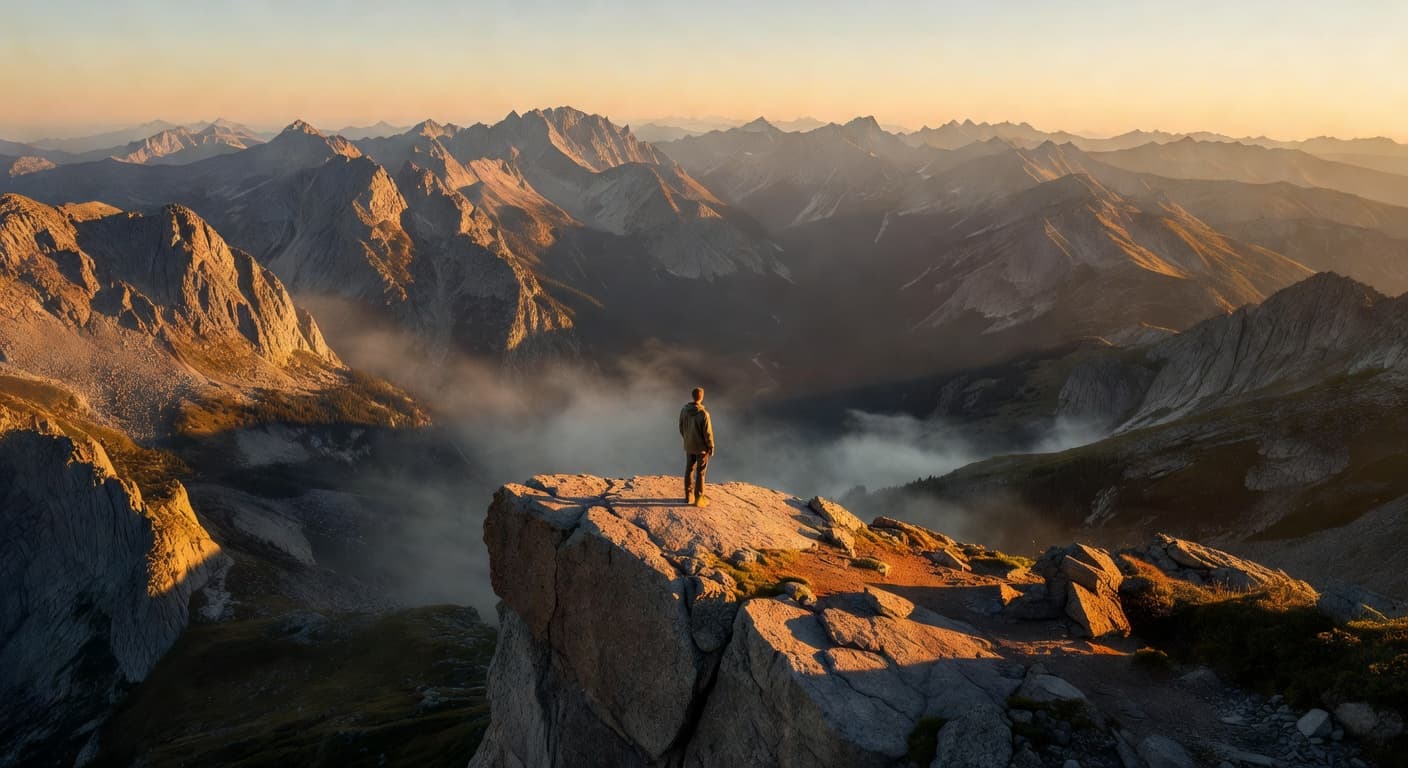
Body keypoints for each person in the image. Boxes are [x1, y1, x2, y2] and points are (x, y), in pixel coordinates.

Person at [679, 387, 714, 506]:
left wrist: (687, 439)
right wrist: (711, 446)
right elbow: (708, 433)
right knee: (700, 472)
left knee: (689, 469)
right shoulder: (703, 414)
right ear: (702, 397)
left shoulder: (684, 410)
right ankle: (699, 498)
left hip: (689, 445)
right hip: (701, 448)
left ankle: (688, 496)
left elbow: (681, 427)